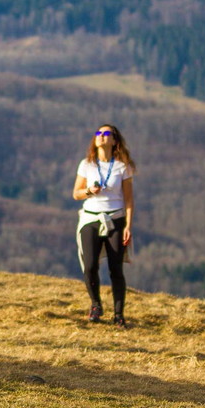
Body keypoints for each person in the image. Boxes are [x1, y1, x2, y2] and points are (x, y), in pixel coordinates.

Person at [72, 124, 135, 328]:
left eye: (106, 133)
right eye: (98, 133)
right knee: (90, 265)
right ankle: (96, 304)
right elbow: (76, 194)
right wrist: (90, 191)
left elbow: (128, 200)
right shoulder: (87, 164)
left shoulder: (122, 166)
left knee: (115, 269)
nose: (101, 136)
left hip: (115, 218)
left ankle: (119, 314)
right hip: (91, 218)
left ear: (115, 140)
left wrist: (128, 225)